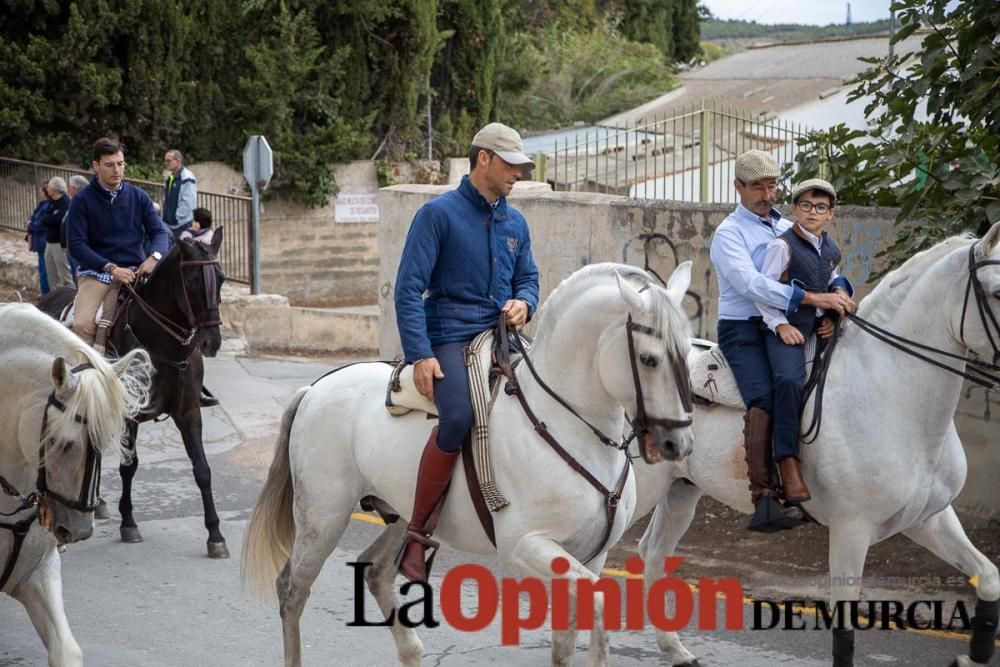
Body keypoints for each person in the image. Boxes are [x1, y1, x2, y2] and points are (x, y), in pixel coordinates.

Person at [394, 122, 540, 583]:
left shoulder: (515, 221)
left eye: (521, 166)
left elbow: (528, 279)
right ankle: (416, 536)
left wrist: (525, 303)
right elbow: (408, 290)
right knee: (458, 417)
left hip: (501, 335)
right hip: (449, 336)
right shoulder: (437, 215)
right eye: (511, 165)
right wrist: (421, 354)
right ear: (483, 159)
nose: (518, 173)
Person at [709, 150, 855, 532]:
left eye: (772, 185)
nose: (766, 193)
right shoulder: (729, 233)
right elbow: (752, 285)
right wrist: (812, 300)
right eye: (757, 186)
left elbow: (826, 267)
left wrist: (832, 305)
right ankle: (764, 498)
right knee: (764, 394)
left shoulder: (784, 227)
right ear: (738, 187)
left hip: (791, 322)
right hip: (743, 327)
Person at [754, 178, 853, 508]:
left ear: (831, 214)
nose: (813, 212)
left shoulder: (829, 247)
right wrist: (780, 325)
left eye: (821, 207)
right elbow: (763, 292)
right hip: (784, 329)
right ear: (795, 209)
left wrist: (836, 303)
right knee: (789, 381)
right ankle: (787, 460)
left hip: (816, 327)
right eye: (806, 205)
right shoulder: (781, 246)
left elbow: (833, 277)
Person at [67, 137, 170, 348]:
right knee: (83, 324)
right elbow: (76, 245)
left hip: (136, 271)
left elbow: (159, 232)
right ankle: (87, 378)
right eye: (109, 165)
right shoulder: (81, 200)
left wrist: (154, 257)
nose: (117, 170)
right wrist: (111, 268)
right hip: (96, 273)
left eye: (120, 164)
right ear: (96, 166)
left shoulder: (139, 196)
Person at [41, 177, 74, 288]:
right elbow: (45, 218)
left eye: (49, 187)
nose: (47, 189)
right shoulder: (51, 202)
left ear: (54, 190)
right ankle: (53, 298)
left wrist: (50, 218)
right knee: (51, 272)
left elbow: (57, 219)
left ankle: (69, 298)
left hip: (59, 243)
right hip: (49, 242)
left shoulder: (65, 203)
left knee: (65, 272)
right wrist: (50, 218)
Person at [162, 149, 197, 237]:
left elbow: (189, 202)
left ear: (178, 161)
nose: (166, 163)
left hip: (181, 225)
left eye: (168, 161)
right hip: (170, 224)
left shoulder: (187, 178)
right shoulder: (170, 177)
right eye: (165, 161)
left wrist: (177, 217)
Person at [62, 174, 91, 278]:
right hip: (72, 248)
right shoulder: (74, 200)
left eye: (68, 186)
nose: (67, 189)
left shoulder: (84, 200)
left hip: (79, 249)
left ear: (74, 188)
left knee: (80, 278)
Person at [25, 185, 51, 295]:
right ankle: (44, 291)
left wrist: (31, 225)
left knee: (44, 269)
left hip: (43, 240)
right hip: (40, 239)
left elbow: (40, 223)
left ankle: (46, 293)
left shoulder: (47, 206)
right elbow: (34, 217)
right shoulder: (42, 204)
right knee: (42, 267)